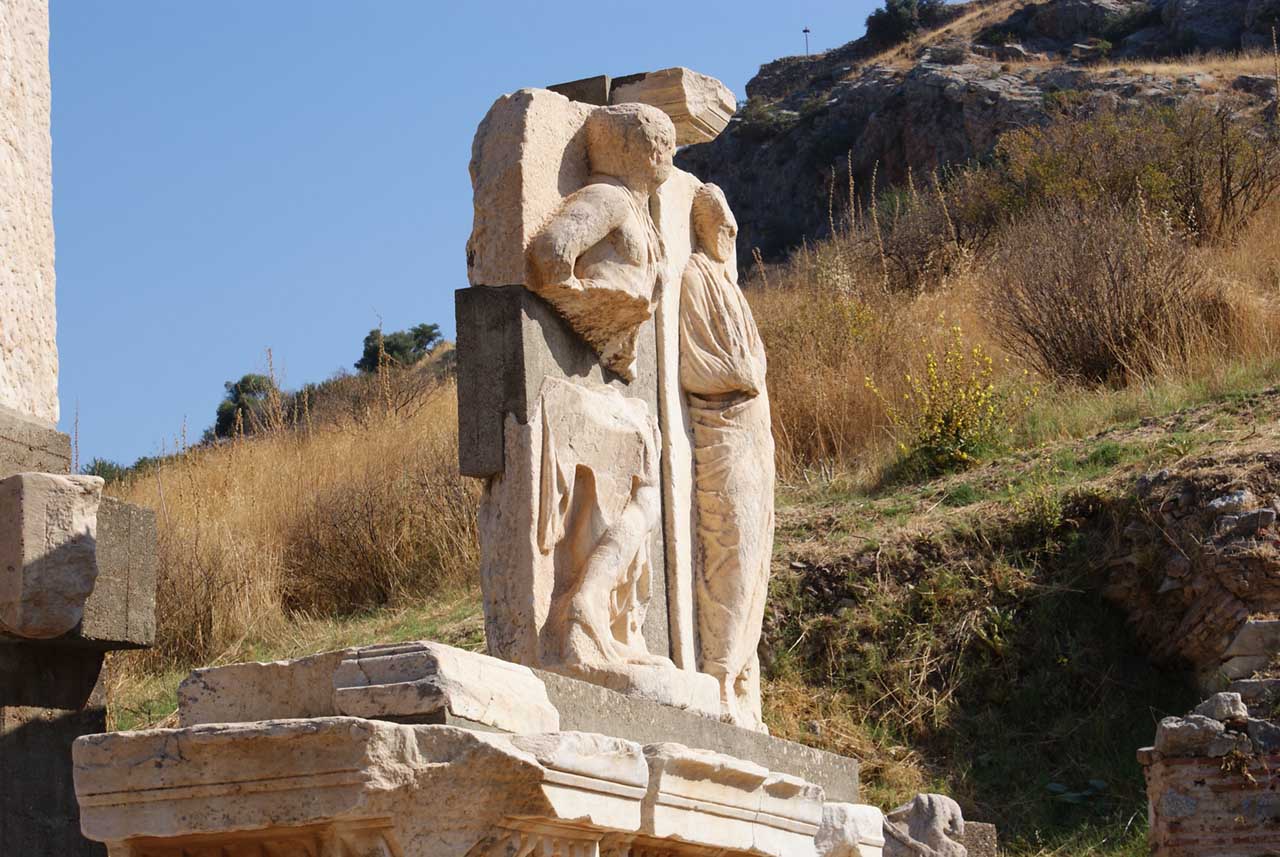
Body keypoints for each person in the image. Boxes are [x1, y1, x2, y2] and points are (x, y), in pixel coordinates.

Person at [679, 182, 775, 731]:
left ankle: (740, 679)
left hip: (753, 432)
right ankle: (716, 677)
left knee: (757, 556)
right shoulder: (693, 277)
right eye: (723, 225)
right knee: (730, 550)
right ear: (704, 226)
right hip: (721, 431)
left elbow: (755, 362)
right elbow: (699, 366)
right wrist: (742, 374)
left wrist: (749, 373)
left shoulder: (733, 289)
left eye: (735, 227)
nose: (730, 236)